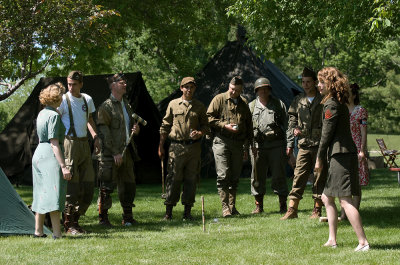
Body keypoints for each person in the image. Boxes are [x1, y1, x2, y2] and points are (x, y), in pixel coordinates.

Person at [315, 67, 369, 251]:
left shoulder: (332, 105)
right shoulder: (338, 102)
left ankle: (363, 242)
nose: (318, 85)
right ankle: (332, 239)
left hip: (341, 156)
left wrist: (319, 158)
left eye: (321, 82)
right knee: (326, 197)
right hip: (342, 155)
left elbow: (326, 135)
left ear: (330, 83)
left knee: (345, 200)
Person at [158, 77, 209, 220]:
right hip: (176, 146)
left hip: (194, 148)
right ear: (181, 88)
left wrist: (199, 133)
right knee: (174, 178)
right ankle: (168, 211)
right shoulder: (173, 104)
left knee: (191, 179)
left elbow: (206, 125)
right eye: (186, 87)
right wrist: (161, 145)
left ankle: (187, 212)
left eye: (192, 87)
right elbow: (165, 125)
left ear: (195, 89)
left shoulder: (199, 106)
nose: (189, 89)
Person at [281, 67, 327, 220]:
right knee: (299, 175)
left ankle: (317, 209)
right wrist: (294, 128)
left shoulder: (323, 99)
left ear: (315, 82)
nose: (306, 85)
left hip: (320, 144)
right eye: (303, 82)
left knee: (319, 176)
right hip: (303, 144)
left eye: (308, 82)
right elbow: (292, 117)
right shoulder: (298, 99)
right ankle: (292, 209)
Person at [58, 70, 100, 234]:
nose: (71, 87)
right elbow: (56, 119)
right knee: (72, 186)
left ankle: (76, 218)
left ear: (81, 84)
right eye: (69, 84)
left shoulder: (86, 99)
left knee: (88, 185)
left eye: (74, 84)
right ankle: (69, 224)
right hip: (69, 143)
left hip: (84, 143)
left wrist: (96, 137)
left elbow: (89, 120)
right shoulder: (63, 100)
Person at [97, 73, 141, 226]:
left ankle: (127, 217)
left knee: (129, 184)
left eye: (125, 82)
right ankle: (103, 218)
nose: (125, 85)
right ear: (112, 85)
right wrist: (115, 152)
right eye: (121, 82)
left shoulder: (126, 104)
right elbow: (104, 132)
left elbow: (131, 126)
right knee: (107, 185)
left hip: (127, 151)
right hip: (111, 153)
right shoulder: (106, 106)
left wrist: (136, 129)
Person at [207, 76, 253, 217]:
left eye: (237, 91)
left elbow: (248, 126)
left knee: (234, 176)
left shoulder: (244, 103)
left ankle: (232, 207)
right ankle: (225, 207)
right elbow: (208, 118)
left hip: (238, 143)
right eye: (232, 89)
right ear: (229, 86)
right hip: (222, 140)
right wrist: (224, 126)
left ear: (241, 90)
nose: (234, 92)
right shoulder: (219, 99)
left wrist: (248, 146)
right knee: (223, 174)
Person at [32, 83, 72, 239]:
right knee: (54, 194)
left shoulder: (42, 113)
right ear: (57, 97)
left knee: (40, 193)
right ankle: (57, 234)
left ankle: (38, 231)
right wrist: (63, 166)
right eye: (61, 95)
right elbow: (54, 143)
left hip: (38, 154)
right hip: (50, 155)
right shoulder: (54, 115)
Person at [249, 77, 289, 214]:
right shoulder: (251, 106)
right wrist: (250, 145)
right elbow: (247, 129)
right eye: (260, 89)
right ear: (256, 91)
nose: (263, 91)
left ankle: (283, 204)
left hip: (276, 145)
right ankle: (258, 205)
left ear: (269, 90)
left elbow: (287, 125)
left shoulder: (278, 104)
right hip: (258, 146)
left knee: (279, 175)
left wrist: (288, 145)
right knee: (257, 176)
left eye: (266, 89)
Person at [340, 83, 369, 220]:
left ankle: (354, 213)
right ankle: (343, 214)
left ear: (354, 95)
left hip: (357, 147)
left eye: (348, 93)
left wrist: (362, 151)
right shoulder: (341, 109)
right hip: (344, 147)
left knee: (356, 182)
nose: (346, 95)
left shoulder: (360, 110)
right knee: (344, 181)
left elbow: (364, 132)